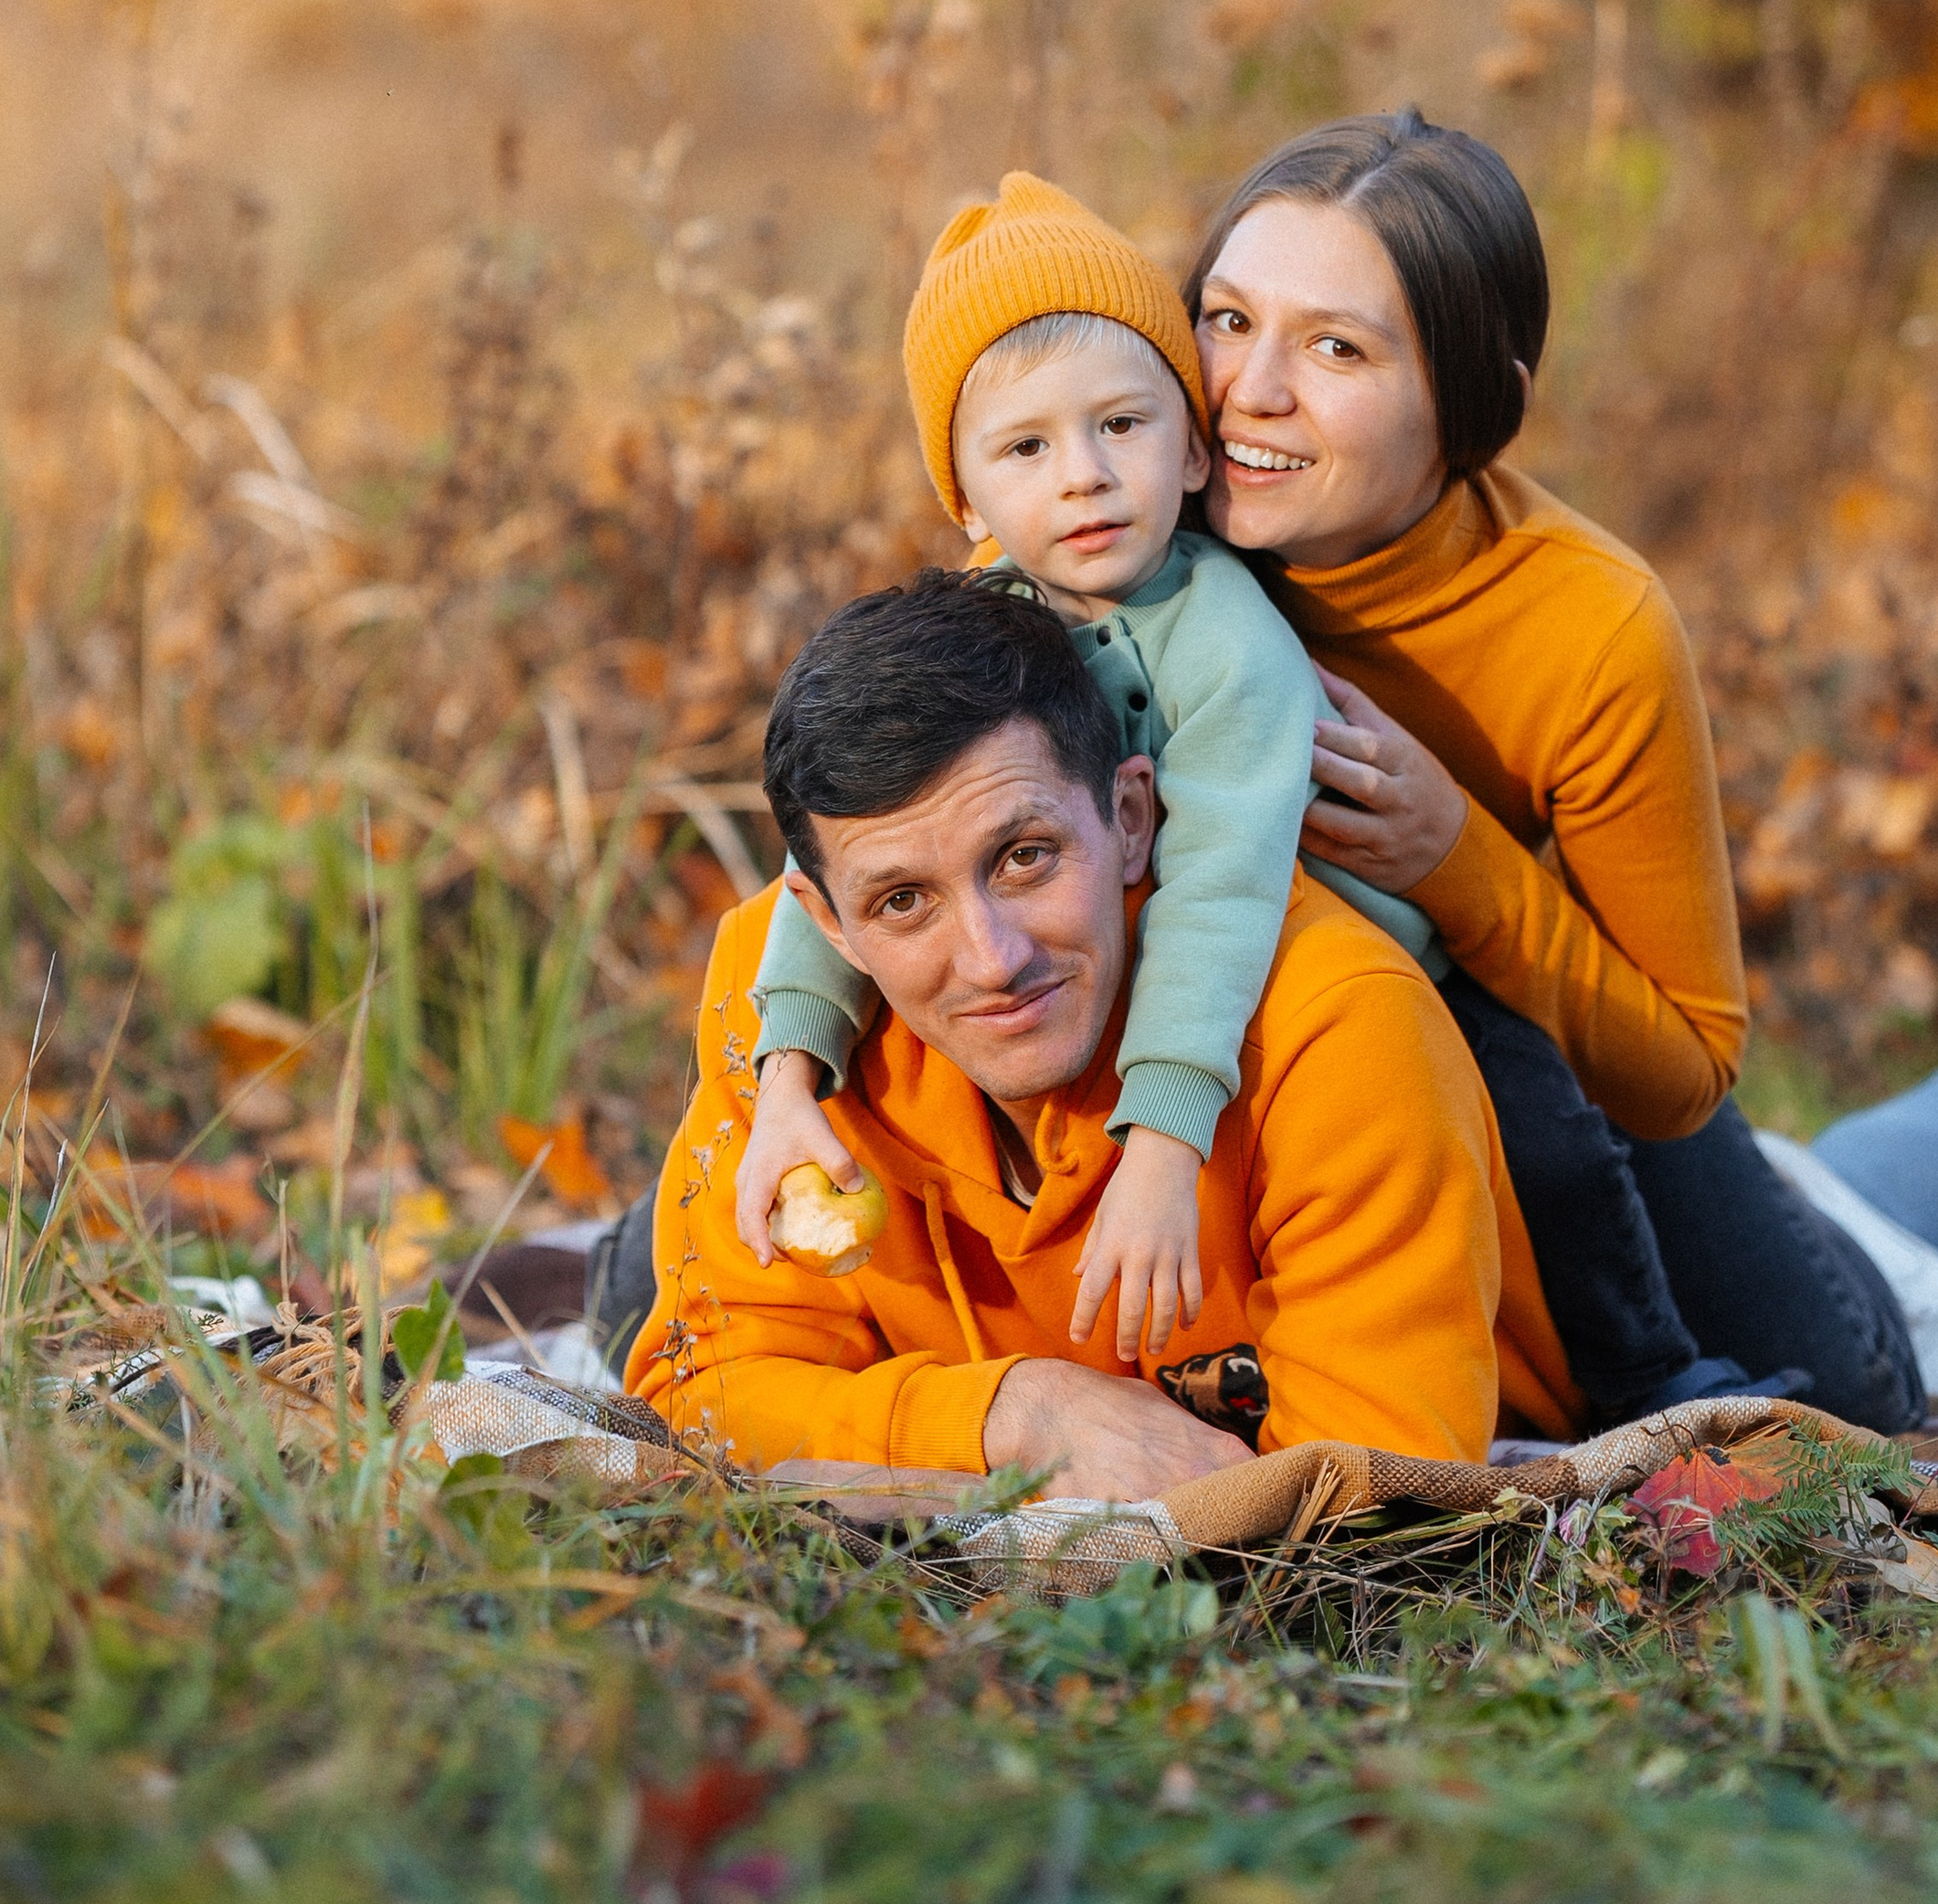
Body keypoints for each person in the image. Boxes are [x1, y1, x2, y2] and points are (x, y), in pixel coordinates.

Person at [1186, 109, 1938, 1423]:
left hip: (1569, 1082)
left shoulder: (1591, 628)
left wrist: (1453, 855)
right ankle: (1870, 1169)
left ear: (1482, 412)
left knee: (1850, 1381)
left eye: (1337, 347)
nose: (1248, 390)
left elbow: (1687, 1060)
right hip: (1329, 1075)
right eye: (1229, 319)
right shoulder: (1124, 514)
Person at [731, 170, 1722, 1426]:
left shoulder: (1230, 641)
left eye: (1121, 430)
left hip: (1350, 983)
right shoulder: (985, 609)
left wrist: (1161, 1145)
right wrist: (786, 1077)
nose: (1083, 478)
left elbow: (1219, 889)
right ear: (968, 500)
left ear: (1188, 447)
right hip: (1166, 1000)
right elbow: (837, 855)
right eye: (1029, 449)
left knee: (1551, 1143)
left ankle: (1652, 1382)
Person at [623, 570, 1580, 1491]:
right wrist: (1015, 1415)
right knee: (632, 1291)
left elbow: (1374, 1492)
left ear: (1130, 817)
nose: (993, 958)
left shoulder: (1336, 1029)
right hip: (952, 1319)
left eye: (1025, 857)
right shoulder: (775, 1024)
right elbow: (702, 1396)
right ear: (828, 925)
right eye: (904, 901)